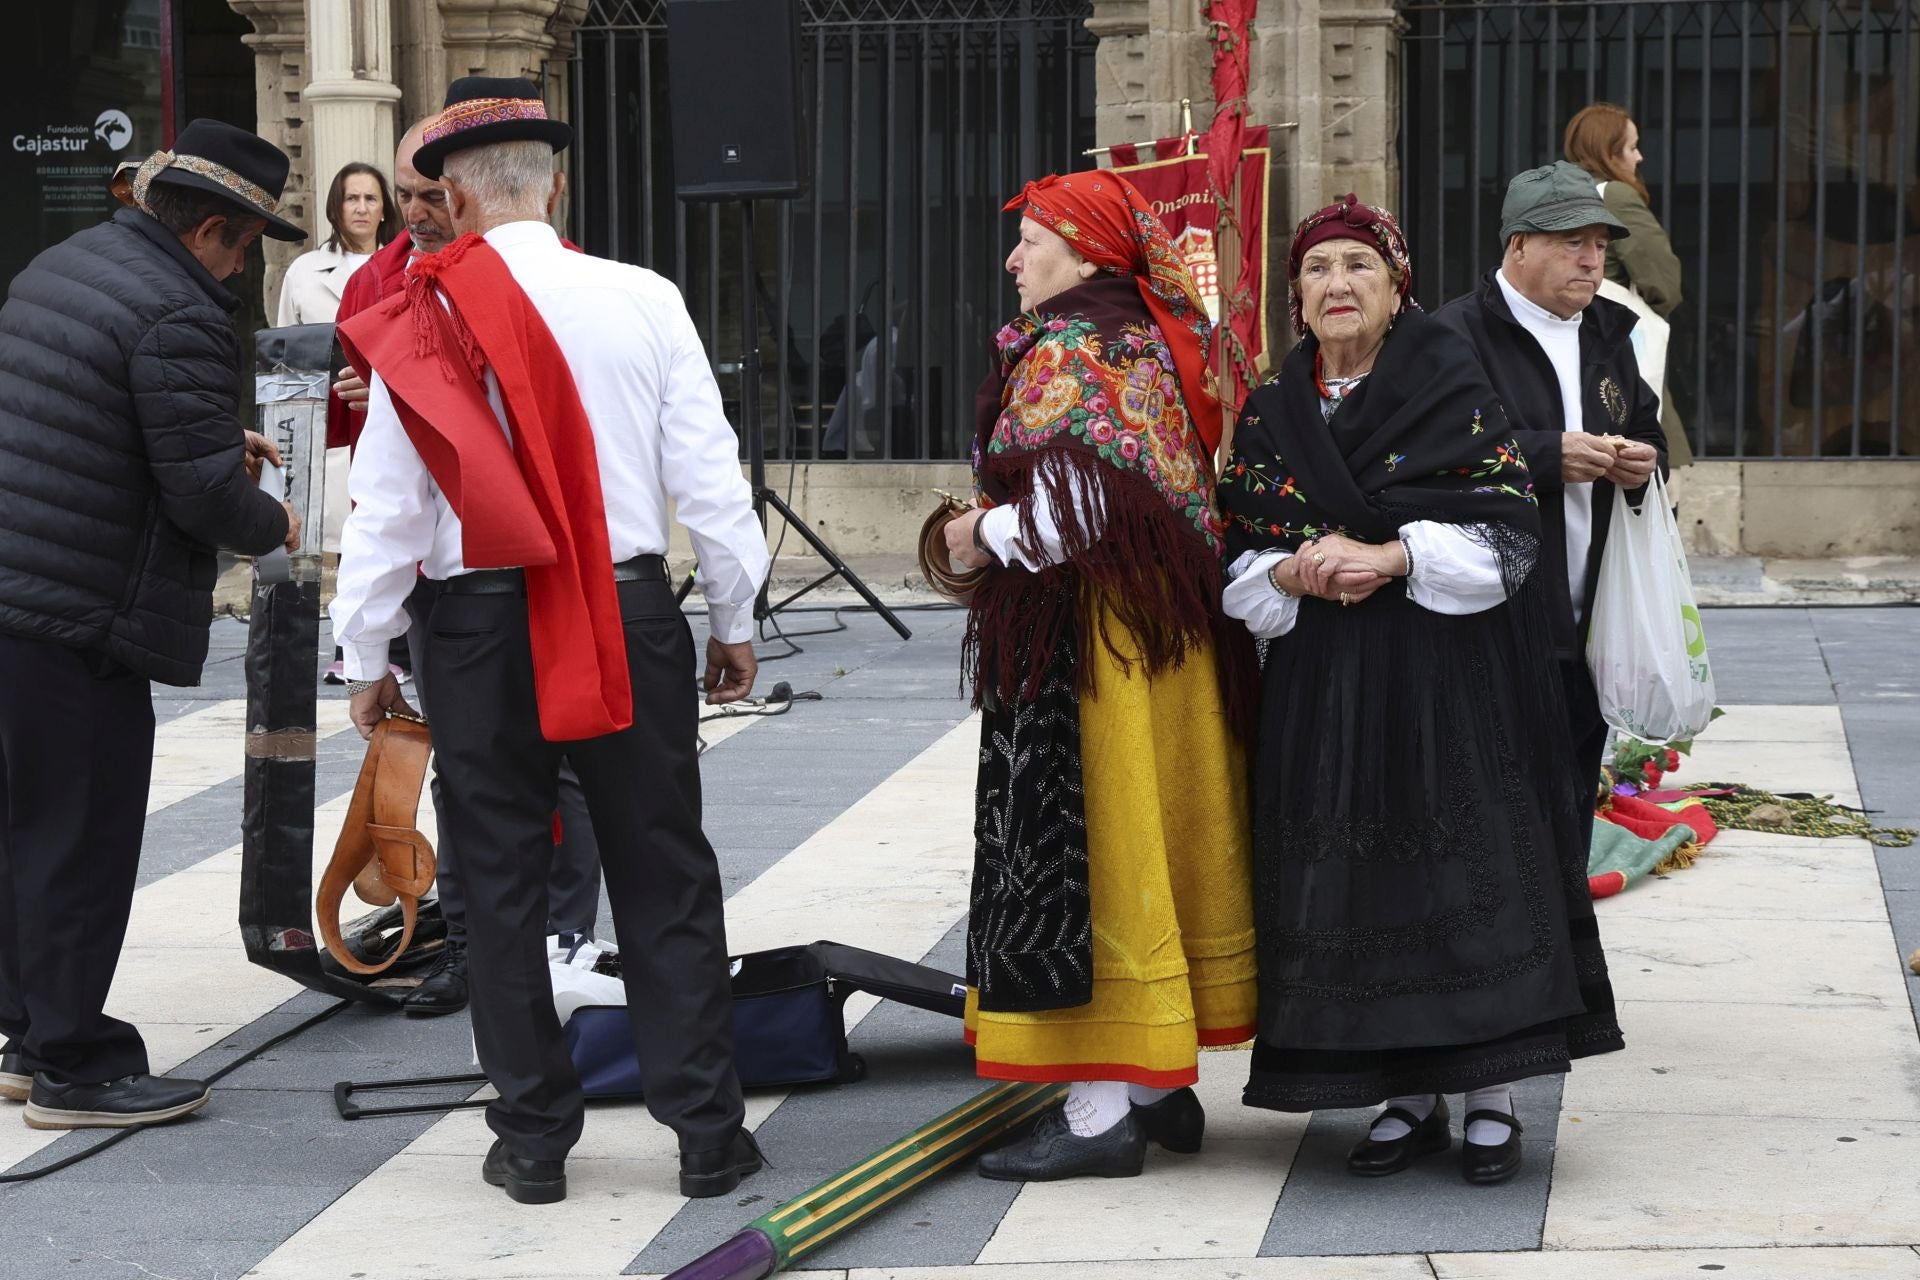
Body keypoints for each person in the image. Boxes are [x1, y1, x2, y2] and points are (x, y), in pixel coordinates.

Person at [329, 77, 769, 1204]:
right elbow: (710, 480)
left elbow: (387, 506)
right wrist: (734, 616)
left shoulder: (426, 314)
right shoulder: (645, 296)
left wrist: (364, 653)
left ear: (458, 200)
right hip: (623, 608)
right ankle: (708, 1131)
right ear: (555, 185)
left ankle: (532, 1136)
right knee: (663, 864)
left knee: (499, 877)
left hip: (475, 624)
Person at [1218, 193, 1624, 1185]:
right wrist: (1285, 573)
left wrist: (1392, 554)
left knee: (1464, 870)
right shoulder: (1272, 410)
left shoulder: (1449, 381)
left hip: (1450, 679)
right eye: (1317, 270)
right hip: (1328, 690)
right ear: (1297, 299)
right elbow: (1238, 556)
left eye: (1359, 265)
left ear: (1399, 289)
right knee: (1363, 885)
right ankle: (1407, 1095)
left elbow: (1505, 532)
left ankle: (1489, 1098)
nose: (1337, 284)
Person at [940, 170, 1257, 1182]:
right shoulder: (1141, 341)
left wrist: (972, 531)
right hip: (1154, 647)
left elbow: (1062, 524)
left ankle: (1097, 1112)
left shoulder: (1075, 350)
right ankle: (1161, 1090)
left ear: (1081, 254)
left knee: (1097, 859)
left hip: (1090, 656)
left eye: (1030, 241)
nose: (1012, 259)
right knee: (1152, 844)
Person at [0, 119, 303, 1128]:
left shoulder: (66, 264)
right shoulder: (179, 309)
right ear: (217, 228)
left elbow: (96, 416)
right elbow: (204, 498)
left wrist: (211, 439)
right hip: (80, 606)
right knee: (83, 835)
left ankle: (29, 1029)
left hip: (17, 587)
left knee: (26, 826)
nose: (246, 260)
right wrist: (274, 518)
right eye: (248, 240)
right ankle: (76, 1065)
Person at [325, 118, 605, 1019]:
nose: (416, 210)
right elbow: (382, 482)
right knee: (472, 782)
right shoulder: (385, 278)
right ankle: (480, 946)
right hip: (450, 593)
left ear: (464, 189)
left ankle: (556, 945)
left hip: (546, 570)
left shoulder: (566, 282)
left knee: (559, 777)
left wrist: (360, 650)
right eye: (401, 195)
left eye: (424, 191)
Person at [1433, 162, 1667, 816]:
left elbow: (1650, 431)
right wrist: (1543, 455)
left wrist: (1646, 461)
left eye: (1599, 244)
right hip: (1496, 625)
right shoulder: (1453, 337)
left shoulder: (1609, 334)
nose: (1593, 261)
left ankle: (1570, 922)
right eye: (1573, 243)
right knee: (1497, 811)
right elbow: (1432, 459)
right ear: (1519, 246)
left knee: (1570, 806)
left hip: (1594, 620)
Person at [1564, 103, 1691, 465]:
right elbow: (1663, 282)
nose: (1639, 156)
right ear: (1608, 150)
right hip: (1615, 342)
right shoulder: (1614, 194)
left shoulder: (1557, 195)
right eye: (1631, 147)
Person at [276, 161, 400, 326]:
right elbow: (284, 346)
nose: (362, 209)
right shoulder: (303, 272)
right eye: (351, 198)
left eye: (371, 199)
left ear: (383, 211)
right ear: (335, 209)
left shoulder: (405, 268)